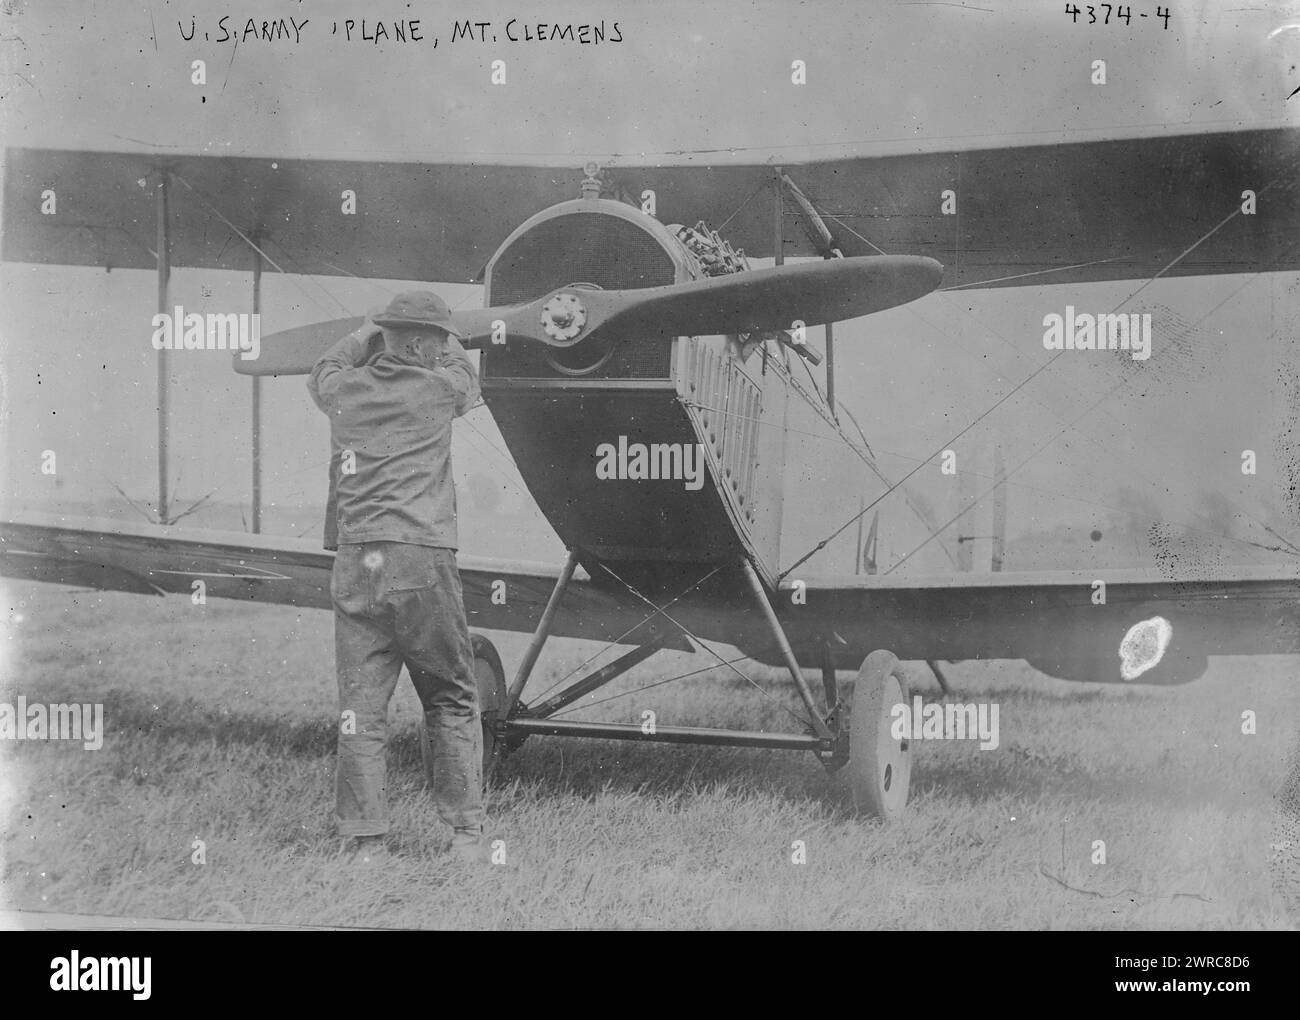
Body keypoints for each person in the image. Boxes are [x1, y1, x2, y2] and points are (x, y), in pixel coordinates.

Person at [308, 290, 487, 864]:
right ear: (423, 344)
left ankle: (367, 845)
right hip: (421, 557)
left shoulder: (342, 391)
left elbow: (325, 367)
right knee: (453, 697)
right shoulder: (440, 388)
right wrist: (449, 339)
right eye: (434, 340)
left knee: (361, 706)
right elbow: (464, 372)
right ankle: (464, 838)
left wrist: (367, 330)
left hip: (356, 558)